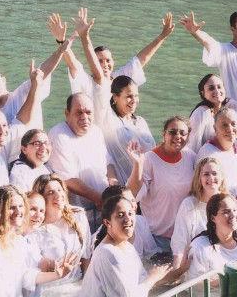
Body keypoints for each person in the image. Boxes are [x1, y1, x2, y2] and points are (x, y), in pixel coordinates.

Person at [77, 196, 173, 297]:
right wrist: (152, 278)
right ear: (107, 222)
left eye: (130, 213)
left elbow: (141, 278)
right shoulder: (108, 252)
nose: (128, 219)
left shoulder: (126, 245)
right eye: (120, 215)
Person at [64, 7, 175, 96]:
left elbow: (141, 59)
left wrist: (162, 36)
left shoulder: (119, 78)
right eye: (100, 61)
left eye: (108, 60)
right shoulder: (86, 82)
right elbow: (73, 65)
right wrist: (62, 42)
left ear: (113, 61)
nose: (105, 65)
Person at [170, 157, 237, 271]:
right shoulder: (189, 204)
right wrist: (177, 272)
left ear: (221, 177)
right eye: (206, 174)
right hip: (203, 263)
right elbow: (179, 243)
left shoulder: (229, 201)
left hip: (231, 259)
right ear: (199, 178)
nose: (211, 178)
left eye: (215, 173)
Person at [47, 93, 117, 224]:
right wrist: (100, 199)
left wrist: (113, 183)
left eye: (88, 112)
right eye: (79, 113)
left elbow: (108, 162)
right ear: (67, 113)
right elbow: (67, 179)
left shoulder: (96, 132)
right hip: (79, 214)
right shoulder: (58, 135)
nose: (84, 117)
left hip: (104, 208)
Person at [130, 116, 196, 254]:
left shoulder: (191, 157)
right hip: (158, 238)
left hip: (185, 234)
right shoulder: (149, 159)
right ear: (164, 134)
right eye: (172, 132)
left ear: (188, 136)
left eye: (182, 133)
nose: (178, 136)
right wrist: (137, 165)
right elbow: (132, 195)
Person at [180, 7, 237, 110]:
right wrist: (195, 32)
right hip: (234, 114)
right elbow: (209, 42)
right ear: (233, 29)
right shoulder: (224, 50)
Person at [91, 74, 156, 184]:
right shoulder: (108, 120)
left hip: (149, 186)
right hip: (123, 187)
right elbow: (99, 83)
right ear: (115, 97)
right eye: (129, 96)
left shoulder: (140, 122)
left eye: (136, 96)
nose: (134, 100)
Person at [31, 174, 92, 280]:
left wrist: (86, 286)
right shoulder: (36, 229)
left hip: (77, 286)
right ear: (42, 198)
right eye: (50, 192)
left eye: (60, 190)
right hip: (49, 291)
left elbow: (86, 257)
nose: (58, 195)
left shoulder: (78, 215)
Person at [186, 193, 237, 283]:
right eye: (226, 212)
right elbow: (193, 287)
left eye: (234, 210)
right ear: (212, 218)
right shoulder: (200, 247)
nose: (233, 215)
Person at [196, 107, 237, 200]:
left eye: (233, 124)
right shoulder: (207, 154)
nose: (230, 129)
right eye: (224, 125)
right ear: (215, 128)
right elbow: (214, 191)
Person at [187, 74, 231, 154]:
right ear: (203, 93)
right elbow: (192, 146)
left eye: (219, 87)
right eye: (211, 88)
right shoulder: (201, 113)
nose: (217, 91)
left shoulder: (228, 110)